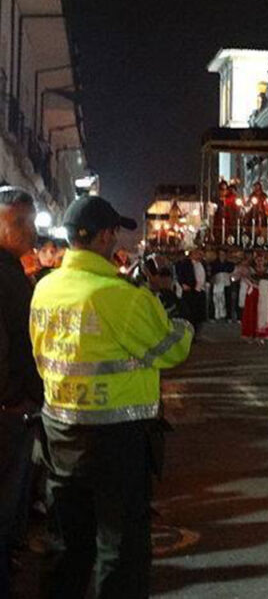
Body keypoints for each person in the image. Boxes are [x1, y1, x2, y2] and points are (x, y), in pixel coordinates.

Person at [30, 195, 193, 598]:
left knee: (67, 545)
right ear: (105, 237)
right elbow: (171, 348)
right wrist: (179, 319)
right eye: (115, 232)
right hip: (116, 440)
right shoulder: (121, 297)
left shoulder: (45, 289)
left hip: (60, 434)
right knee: (119, 550)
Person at [0, 187, 42, 597]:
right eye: (21, 223)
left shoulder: (14, 273)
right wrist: (14, 399)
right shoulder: (6, 277)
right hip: (8, 412)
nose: (30, 233)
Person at [239, 254, 268, 343]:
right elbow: (246, 279)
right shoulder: (251, 271)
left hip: (263, 294)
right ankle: (251, 334)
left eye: (261, 260)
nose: (260, 262)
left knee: (263, 314)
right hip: (254, 293)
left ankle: (261, 335)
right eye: (258, 260)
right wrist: (252, 284)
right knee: (252, 313)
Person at [174, 249, 207, 332]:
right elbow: (180, 275)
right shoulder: (185, 264)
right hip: (190, 291)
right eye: (197, 254)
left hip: (199, 291)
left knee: (198, 313)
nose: (200, 256)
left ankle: (196, 330)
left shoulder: (202, 264)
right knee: (190, 313)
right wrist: (183, 284)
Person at [210, 248, 235, 320]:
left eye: (223, 254)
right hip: (217, 283)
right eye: (220, 254)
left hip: (226, 284)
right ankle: (215, 315)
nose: (222, 256)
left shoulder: (229, 264)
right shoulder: (214, 264)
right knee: (216, 299)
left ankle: (228, 316)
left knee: (227, 300)